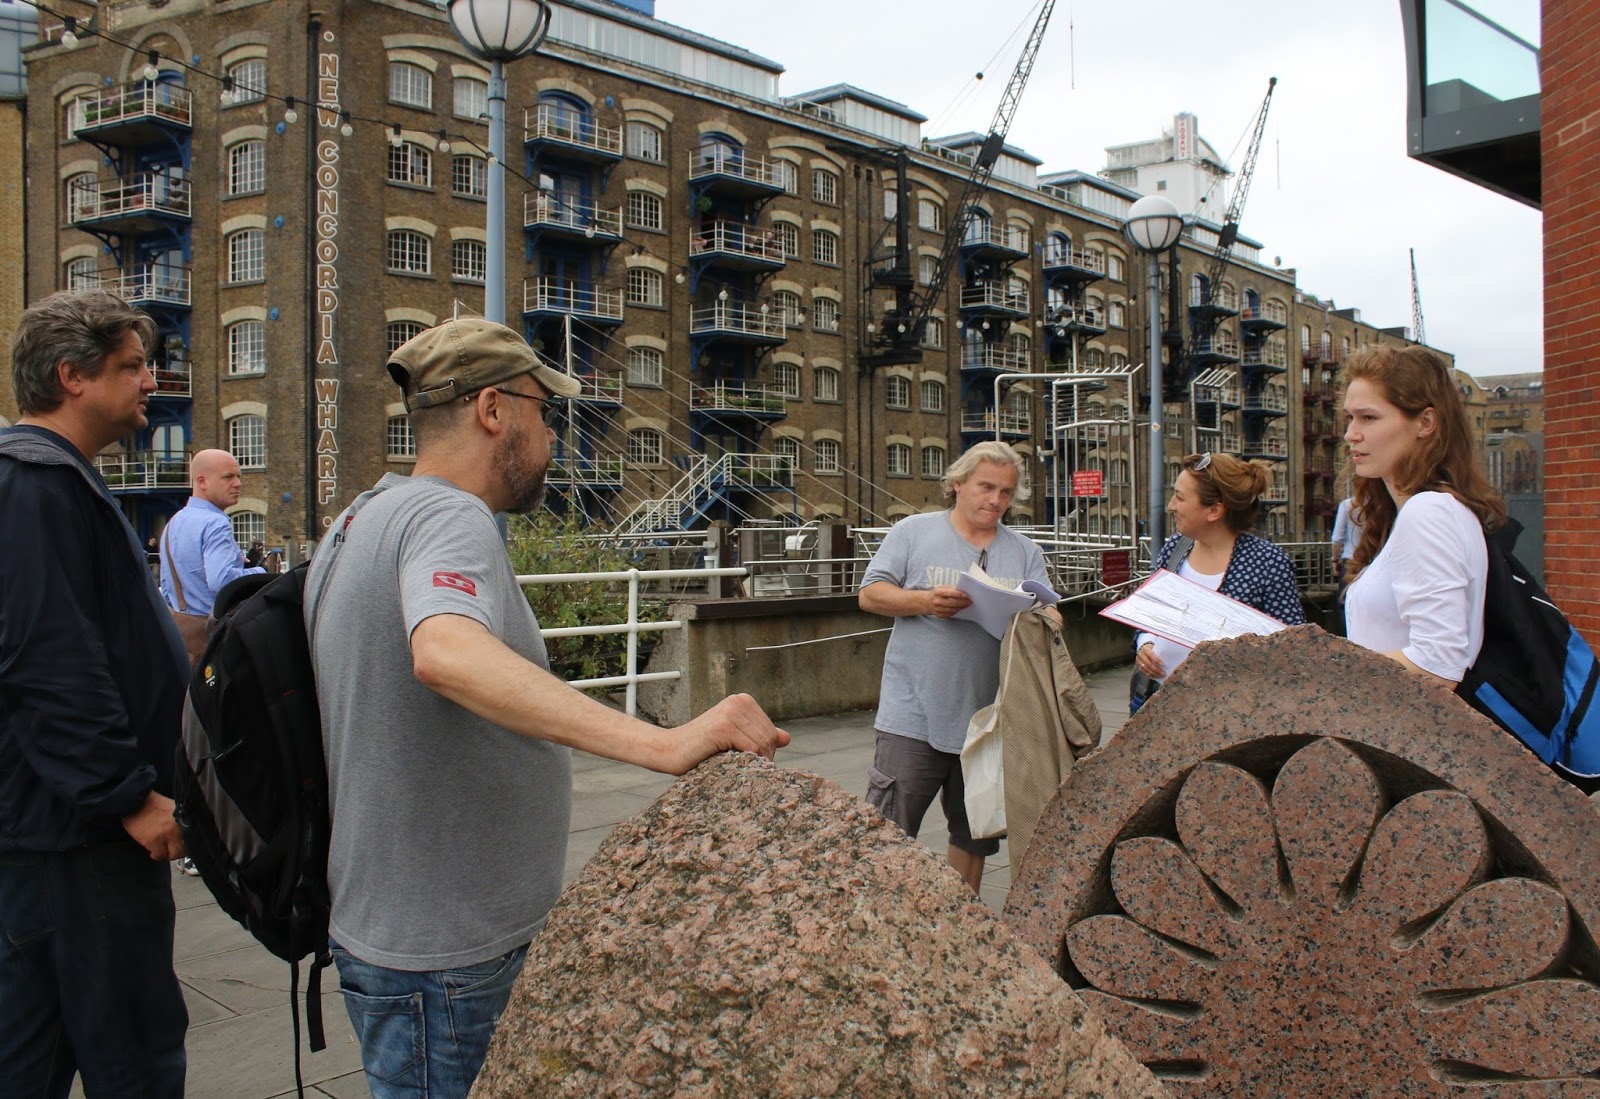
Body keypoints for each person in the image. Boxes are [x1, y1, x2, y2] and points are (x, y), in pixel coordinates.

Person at [307, 316, 789, 1099]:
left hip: (400, 939)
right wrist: (661, 743)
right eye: (545, 410)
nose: (554, 435)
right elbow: (446, 651)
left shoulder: (360, 518)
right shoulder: (447, 516)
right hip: (449, 963)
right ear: (493, 410)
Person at [0, 289, 190, 1097]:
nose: (151, 380)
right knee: (132, 1057)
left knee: (33, 1055)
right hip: (80, 846)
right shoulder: (35, 486)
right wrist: (128, 796)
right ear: (72, 377)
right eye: (132, 366)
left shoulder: (49, 482)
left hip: (58, 836)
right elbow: (50, 664)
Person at [858, 440, 1052, 895]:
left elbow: (1049, 614)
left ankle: (959, 930)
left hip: (988, 721)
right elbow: (870, 594)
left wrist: (1040, 616)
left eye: (1006, 493)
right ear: (956, 484)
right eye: (986, 487)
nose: (996, 501)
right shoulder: (912, 532)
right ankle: (874, 926)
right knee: (885, 831)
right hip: (913, 717)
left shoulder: (1024, 551)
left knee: (973, 838)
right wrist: (926, 600)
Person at [1341, 345, 1504, 685]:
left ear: (1425, 422)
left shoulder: (1429, 511)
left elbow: (1439, 665)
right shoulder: (1425, 510)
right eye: (1349, 418)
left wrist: (1329, 670)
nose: (1351, 434)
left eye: (1368, 417)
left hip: (1397, 731)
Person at [1131, 452, 1306, 707]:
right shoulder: (1174, 548)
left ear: (1214, 510)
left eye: (1180, 497)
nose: (1171, 505)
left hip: (1226, 714)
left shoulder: (1268, 562)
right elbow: (1149, 610)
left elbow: (1293, 647)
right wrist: (1145, 643)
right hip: (1153, 700)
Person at [158, 448, 265, 618]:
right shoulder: (215, 523)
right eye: (228, 477)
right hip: (214, 630)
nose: (238, 483)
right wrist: (261, 572)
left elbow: (166, 587)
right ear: (202, 482)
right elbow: (222, 581)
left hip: (181, 630)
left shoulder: (173, 523)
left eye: (239, 476)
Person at [1330, 494, 1362, 587]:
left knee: (1346, 597)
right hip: (1375, 562)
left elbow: (1337, 539)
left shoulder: (1347, 505)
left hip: (1351, 561)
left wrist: (1335, 560)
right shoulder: (1382, 505)